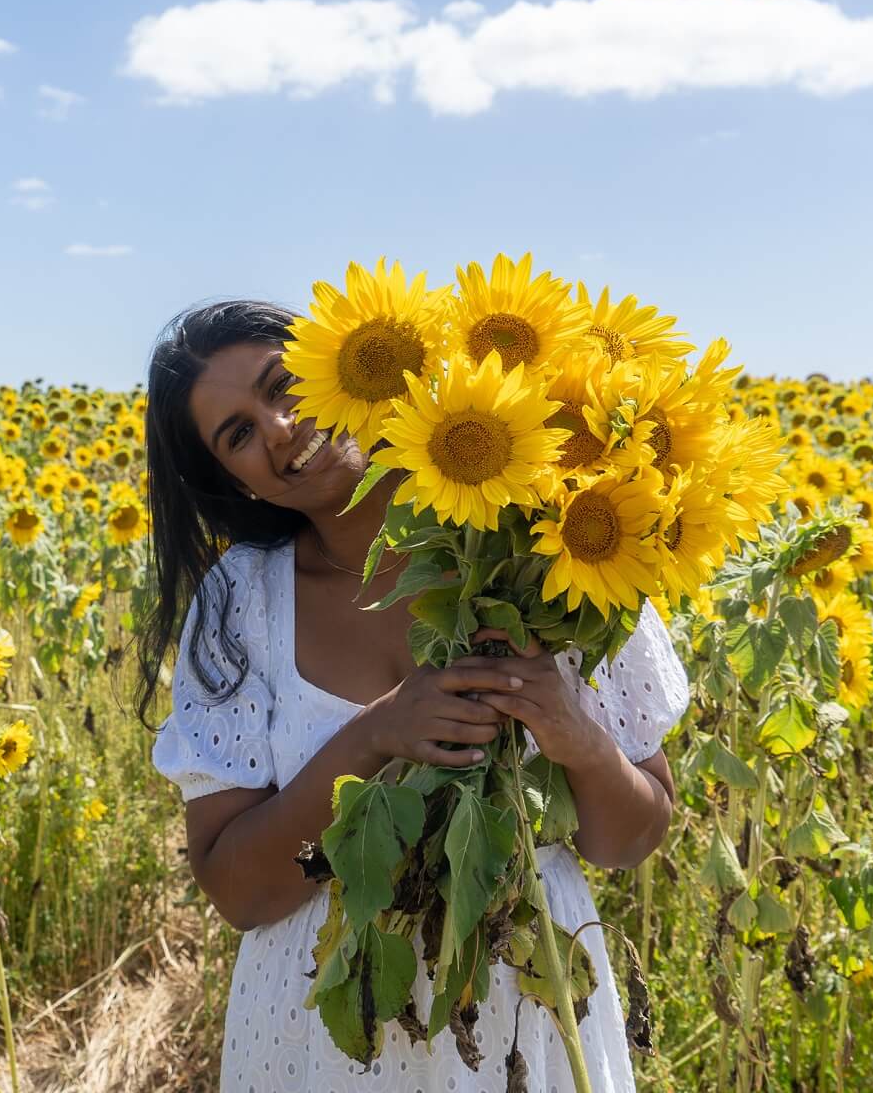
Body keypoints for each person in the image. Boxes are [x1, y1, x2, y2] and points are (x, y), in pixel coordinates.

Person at [137, 300, 691, 1092]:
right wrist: (372, 737)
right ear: (232, 480)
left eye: (283, 384)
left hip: (528, 1007)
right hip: (325, 1024)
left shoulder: (552, 536)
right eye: (238, 434)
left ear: (349, 367)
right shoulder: (241, 607)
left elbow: (631, 840)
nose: (281, 427)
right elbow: (239, 890)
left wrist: (570, 733)